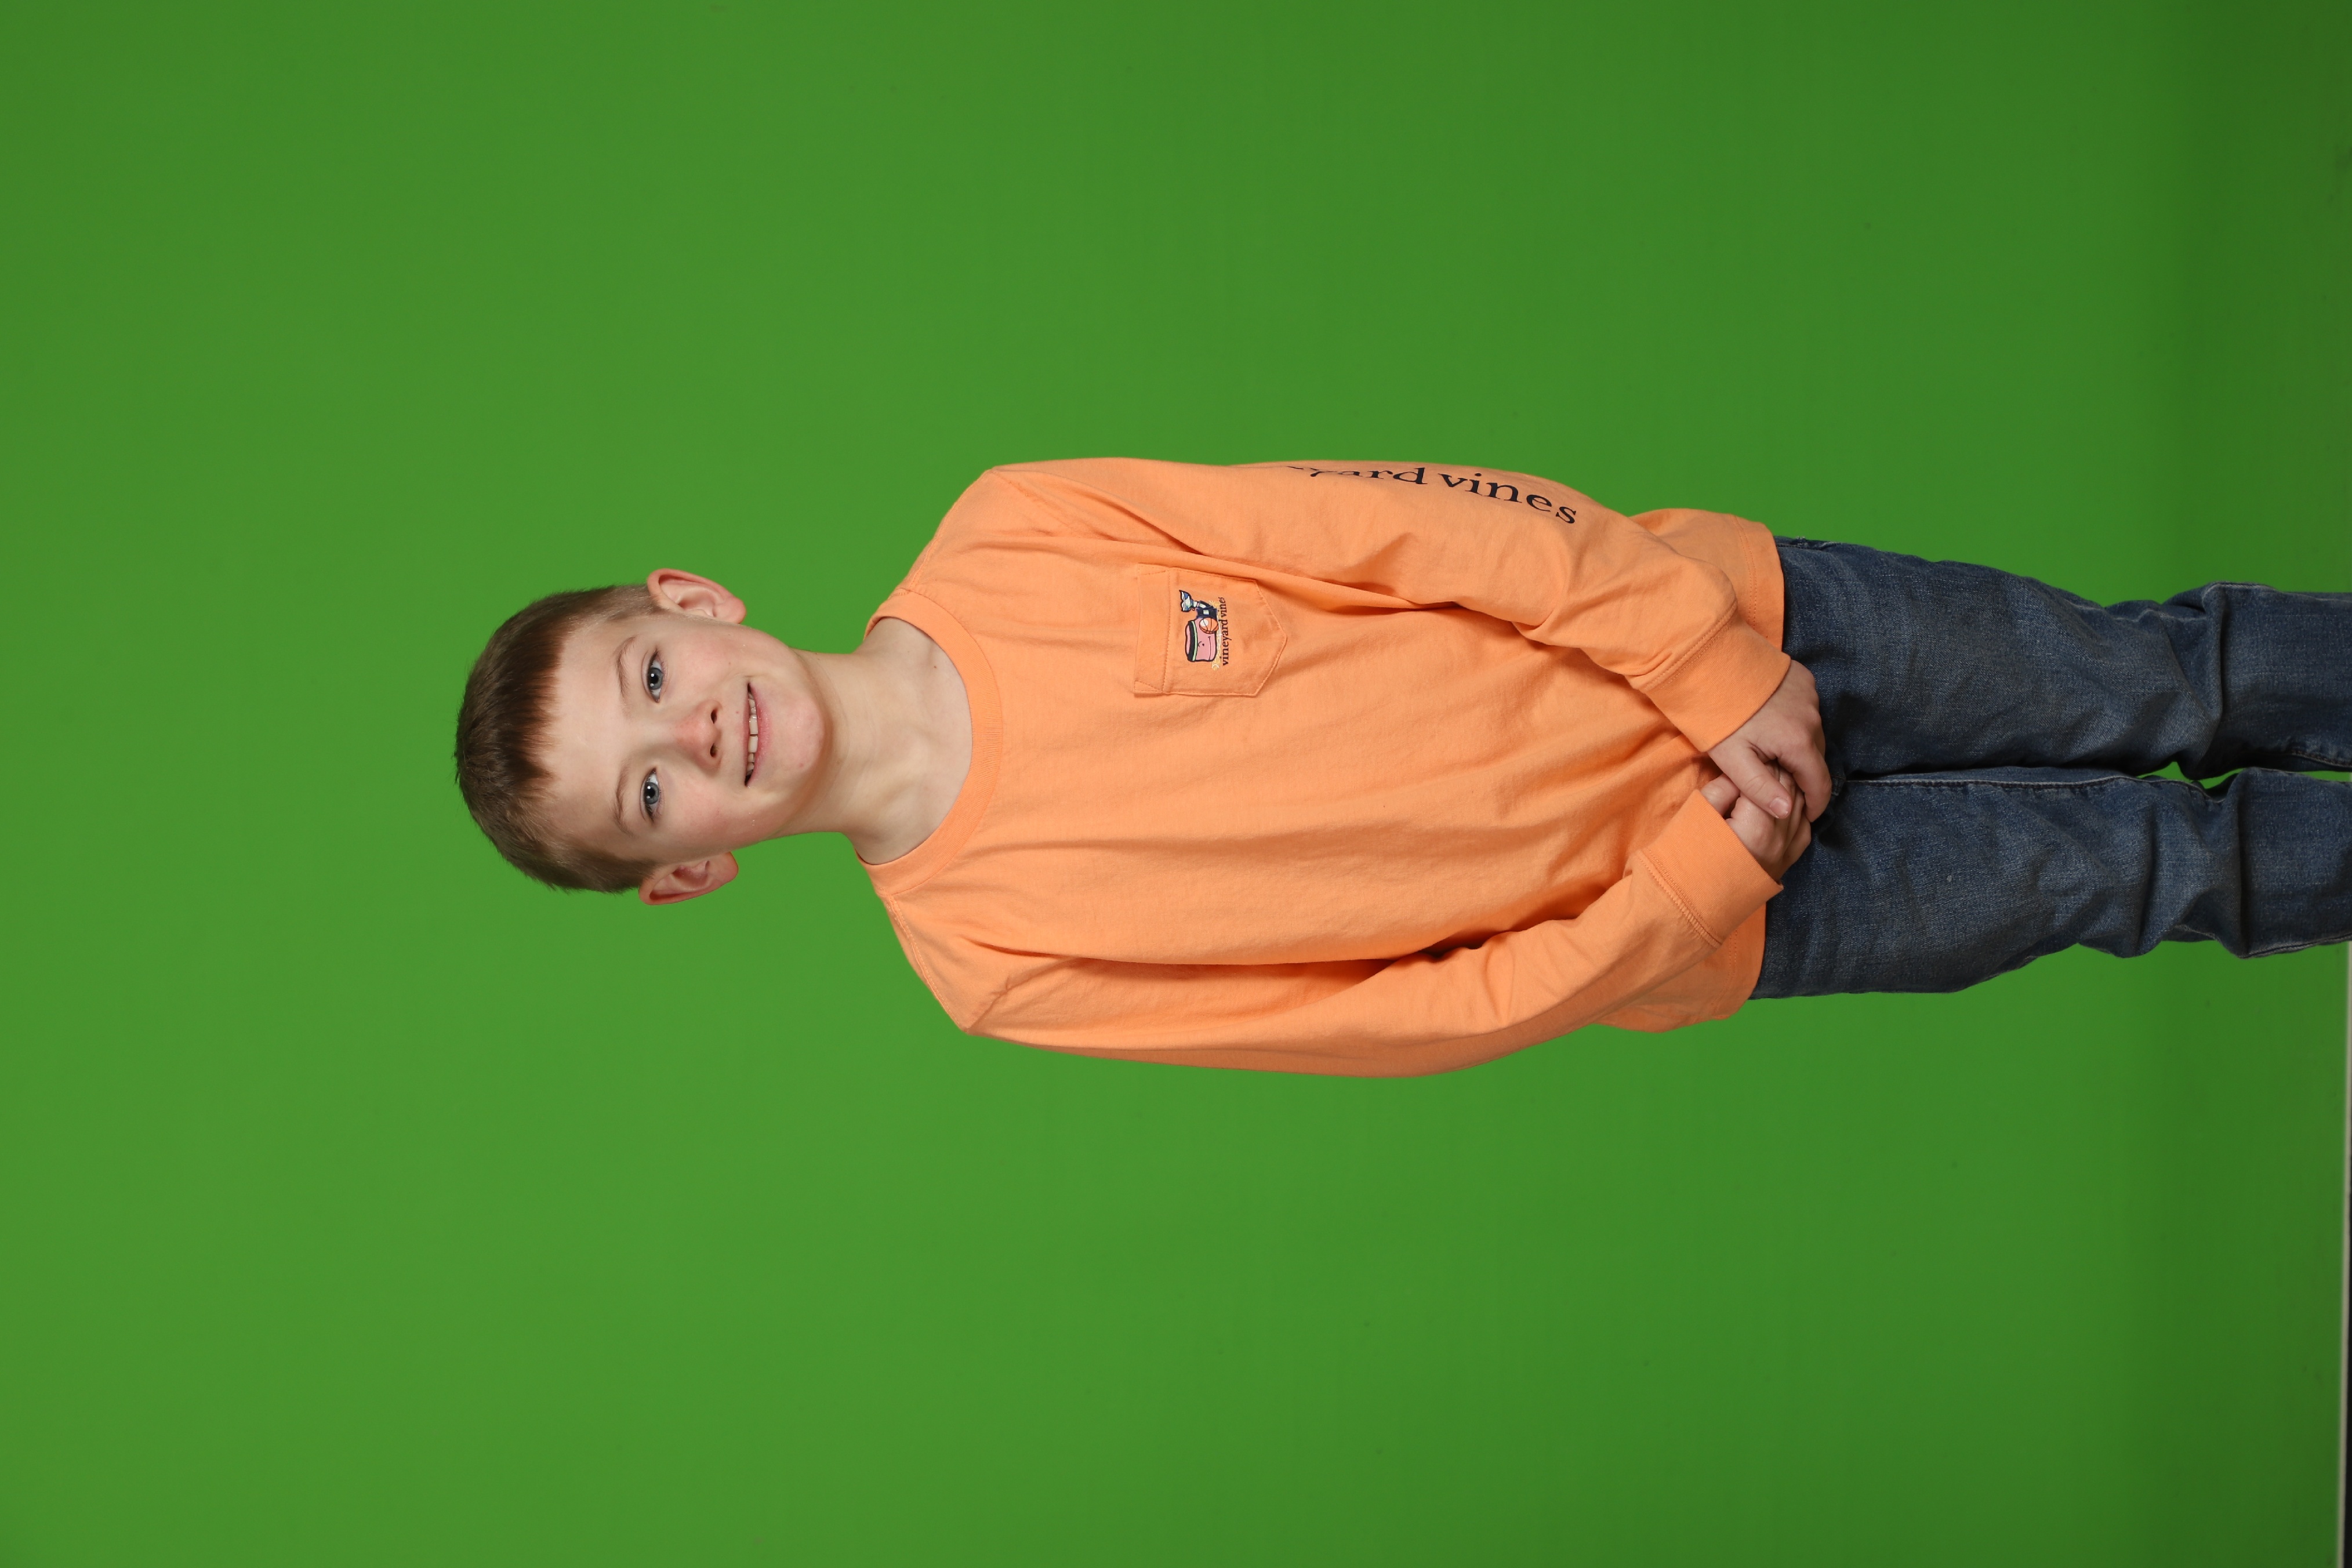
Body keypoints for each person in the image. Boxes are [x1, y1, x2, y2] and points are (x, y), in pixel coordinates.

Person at [453, 459, 2352, 1076]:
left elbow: (1404, 523)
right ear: (687, 869)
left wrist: (1706, 663)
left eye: (648, 675)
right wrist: (1693, 881)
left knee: (2159, 673)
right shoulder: (991, 966)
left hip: (1752, 629)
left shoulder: (1017, 527)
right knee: (2155, 875)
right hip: (1728, 912)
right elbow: (1399, 1018)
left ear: (690, 601)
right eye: (648, 791)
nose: (691, 730)